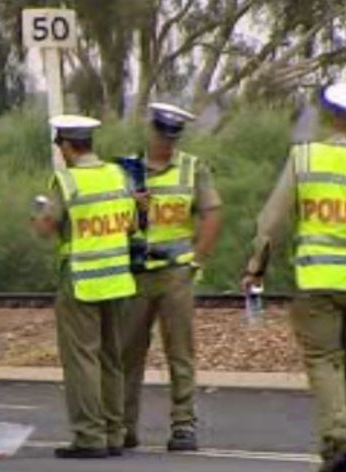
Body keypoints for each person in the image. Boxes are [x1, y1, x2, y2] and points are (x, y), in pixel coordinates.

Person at [241, 82, 346, 472]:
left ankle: (341, 435)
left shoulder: (306, 158)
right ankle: (336, 450)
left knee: (325, 360)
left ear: (330, 116)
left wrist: (256, 265)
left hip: (318, 280)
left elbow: (271, 221)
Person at [31, 115, 137, 459]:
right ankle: (114, 432)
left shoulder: (66, 182)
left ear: (66, 146)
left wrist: (39, 214)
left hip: (81, 281)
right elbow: (132, 224)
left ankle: (90, 437)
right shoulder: (118, 175)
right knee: (111, 358)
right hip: (118, 279)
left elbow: (47, 227)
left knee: (82, 360)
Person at [120, 102, 222, 452]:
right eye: (161, 133)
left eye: (172, 135)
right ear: (150, 130)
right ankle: (123, 426)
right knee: (127, 354)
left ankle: (183, 426)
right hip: (135, 274)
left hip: (175, 274)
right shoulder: (125, 170)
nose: (166, 141)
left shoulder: (193, 169)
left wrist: (197, 259)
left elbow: (211, 213)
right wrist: (131, 205)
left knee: (180, 352)